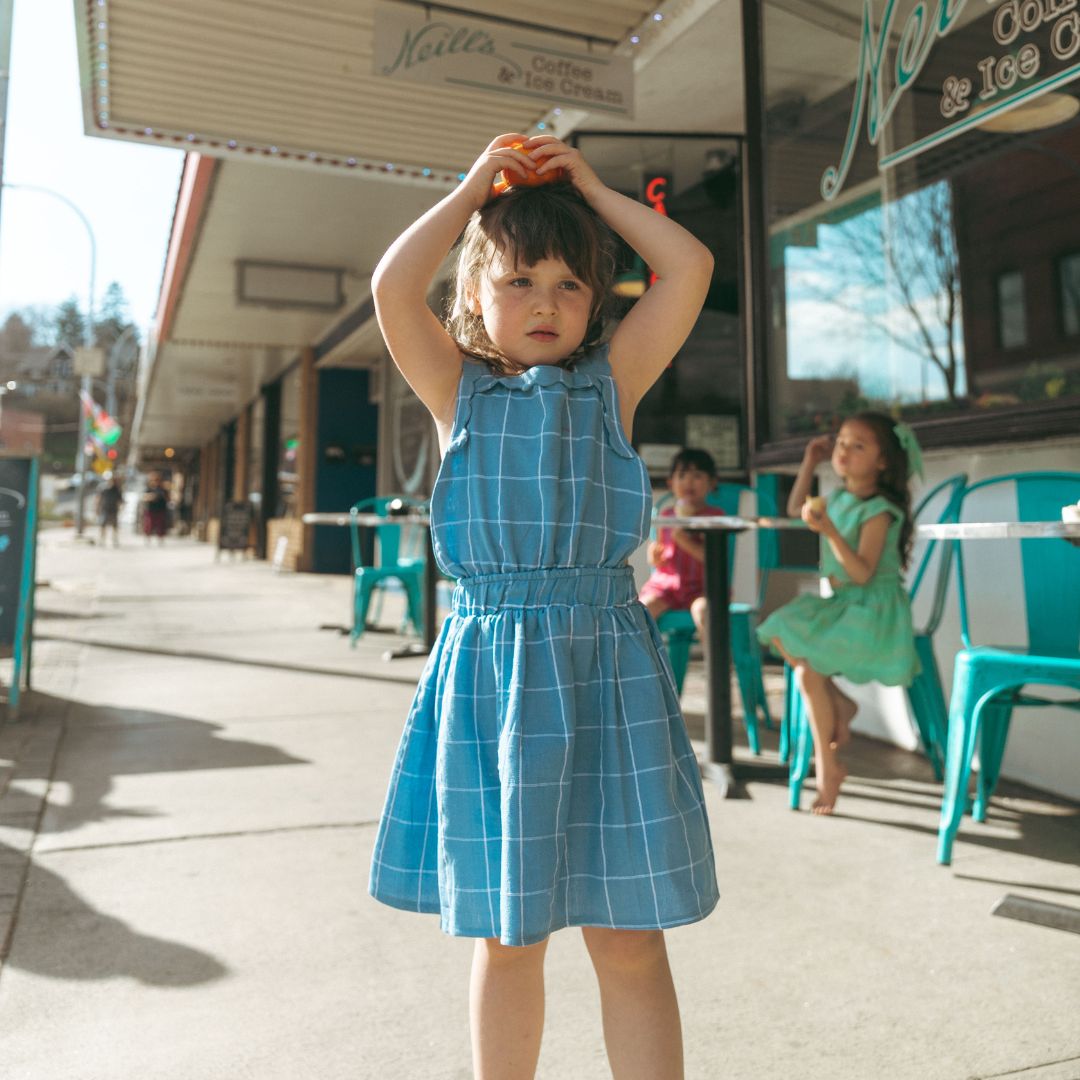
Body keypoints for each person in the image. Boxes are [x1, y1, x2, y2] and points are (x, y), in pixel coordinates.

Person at [368, 134, 718, 1080]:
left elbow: (689, 265)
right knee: (509, 936)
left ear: (596, 305)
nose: (546, 303)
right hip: (492, 684)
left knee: (630, 936)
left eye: (570, 285)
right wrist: (475, 186)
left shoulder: (617, 383)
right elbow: (393, 289)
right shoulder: (458, 394)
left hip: (608, 678)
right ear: (475, 294)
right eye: (519, 280)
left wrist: (595, 190)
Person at [756, 413, 923, 815]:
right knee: (779, 629)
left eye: (858, 445)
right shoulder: (840, 497)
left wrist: (829, 530)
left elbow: (864, 573)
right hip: (844, 605)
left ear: (883, 462)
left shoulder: (879, 510)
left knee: (805, 670)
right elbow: (798, 507)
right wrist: (810, 462)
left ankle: (828, 768)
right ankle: (839, 721)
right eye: (842, 442)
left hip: (874, 611)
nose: (844, 450)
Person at [639, 447, 725, 642]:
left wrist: (684, 541)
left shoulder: (713, 517)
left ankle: (716, 668)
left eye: (697, 476)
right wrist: (654, 557)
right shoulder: (667, 516)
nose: (688, 482)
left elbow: (712, 559)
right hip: (667, 587)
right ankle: (646, 666)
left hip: (702, 588)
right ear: (671, 483)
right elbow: (660, 558)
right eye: (682, 475)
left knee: (704, 611)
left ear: (712, 483)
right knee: (642, 610)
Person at [96, 474, 124, 547]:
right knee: (103, 525)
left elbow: (120, 500)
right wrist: (97, 508)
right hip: (105, 509)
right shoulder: (103, 488)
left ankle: (115, 539)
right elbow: (99, 498)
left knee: (114, 526)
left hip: (114, 509)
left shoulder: (117, 489)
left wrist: (121, 508)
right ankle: (102, 539)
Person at [141, 473, 169, 542]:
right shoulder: (149, 489)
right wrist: (152, 496)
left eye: (157, 480)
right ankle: (148, 537)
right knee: (149, 524)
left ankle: (160, 538)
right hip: (151, 509)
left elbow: (167, 498)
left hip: (160, 509)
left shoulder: (162, 489)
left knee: (160, 525)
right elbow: (144, 497)